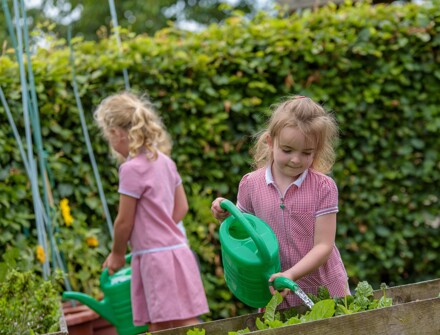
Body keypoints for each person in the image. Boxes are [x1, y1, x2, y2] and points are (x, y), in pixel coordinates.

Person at [211, 95, 350, 309]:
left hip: (324, 290)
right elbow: (242, 231)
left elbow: (324, 245)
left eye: (306, 153)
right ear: (270, 141)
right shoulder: (251, 184)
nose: (296, 159)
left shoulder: (323, 187)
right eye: (287, 150)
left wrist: (291, 274)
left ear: (317, 150)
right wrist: (225, 214)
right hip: (274, 291)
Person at [94, 91, 209, 331]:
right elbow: (182, 206)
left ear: (116, 133)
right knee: (186, 320)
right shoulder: (165, 161)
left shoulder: (131, 169)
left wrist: (116, 255)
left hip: (155, 259)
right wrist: (162, 227)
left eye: (108, 136)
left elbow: (124, 222)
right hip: (179, 252)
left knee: (160, 325)